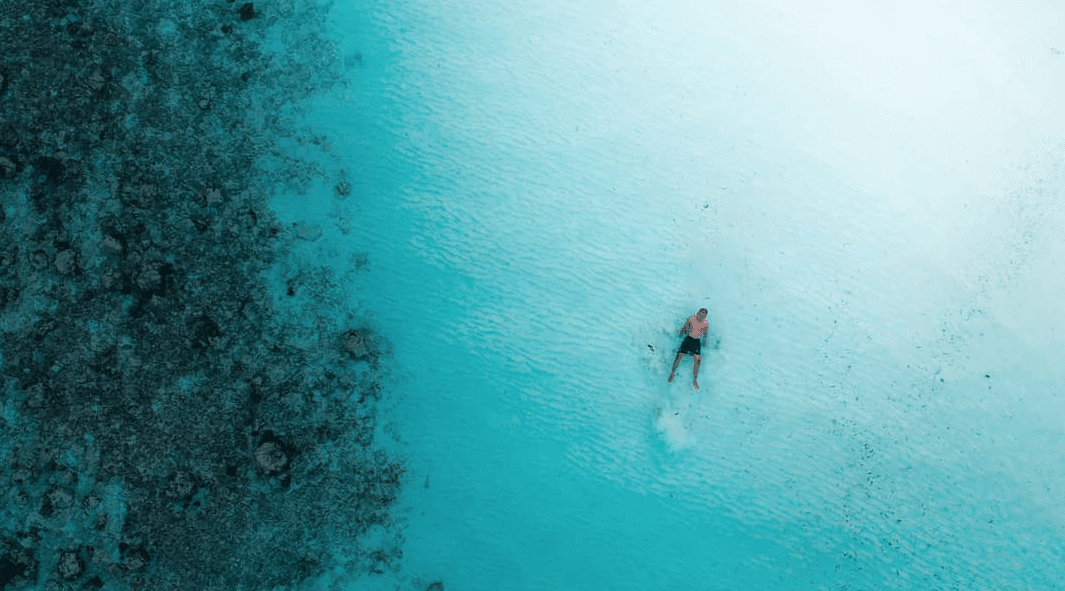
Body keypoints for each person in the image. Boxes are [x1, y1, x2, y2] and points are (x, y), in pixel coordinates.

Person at [668, 308, 708, 389]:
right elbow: (684, 328)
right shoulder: (691, 318)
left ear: (705, 316)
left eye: (704, 313)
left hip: (696, 342)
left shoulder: (705, 324)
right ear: (698, 312)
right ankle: (672, 373)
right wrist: (680, 335)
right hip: (688, 339)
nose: (703, 314)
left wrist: (705, 344)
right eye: (702, 312)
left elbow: (705, 335)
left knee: (698, 360)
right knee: (679, 356)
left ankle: (694, 380)